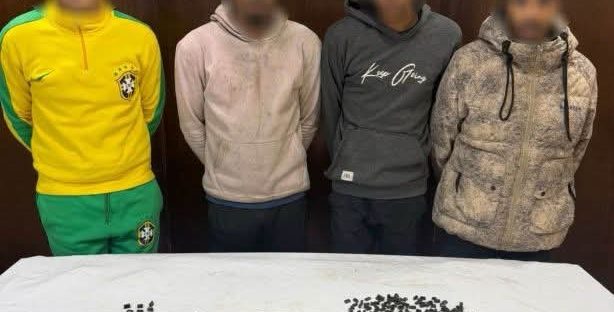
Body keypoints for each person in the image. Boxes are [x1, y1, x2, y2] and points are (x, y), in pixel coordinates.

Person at [431, 0, 598, 261]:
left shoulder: (582, 72)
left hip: (538, 233)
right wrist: (461, 184)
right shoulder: (469, 61)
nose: (532, 13)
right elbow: (443, 135)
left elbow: (577, 146)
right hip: (465, 225)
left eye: (543, 3)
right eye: (520, 3)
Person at [0, 0, 165, 255]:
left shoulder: (140, 35)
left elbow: (151, 113)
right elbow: (18, 116)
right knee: (79, 282)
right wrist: (63, 156)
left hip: (136, 193)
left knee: (142, 279)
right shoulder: (16, 37)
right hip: (64, 201)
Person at [175, 0, 321, 253]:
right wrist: (221, 164)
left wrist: (288, 156)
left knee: (289, 277)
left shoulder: (305, 41)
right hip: (227, 199)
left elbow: (310, 119)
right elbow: (191, 125)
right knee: (232, 278)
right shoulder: (194, 45)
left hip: (289, 196)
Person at [321, 0, 461, 255]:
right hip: (349, 187)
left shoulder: (446, 35)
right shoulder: (341, 35)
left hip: (408, 187)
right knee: (346, 273)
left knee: (401, 276)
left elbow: (442, 112)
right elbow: (329, 108)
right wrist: (346, 155)